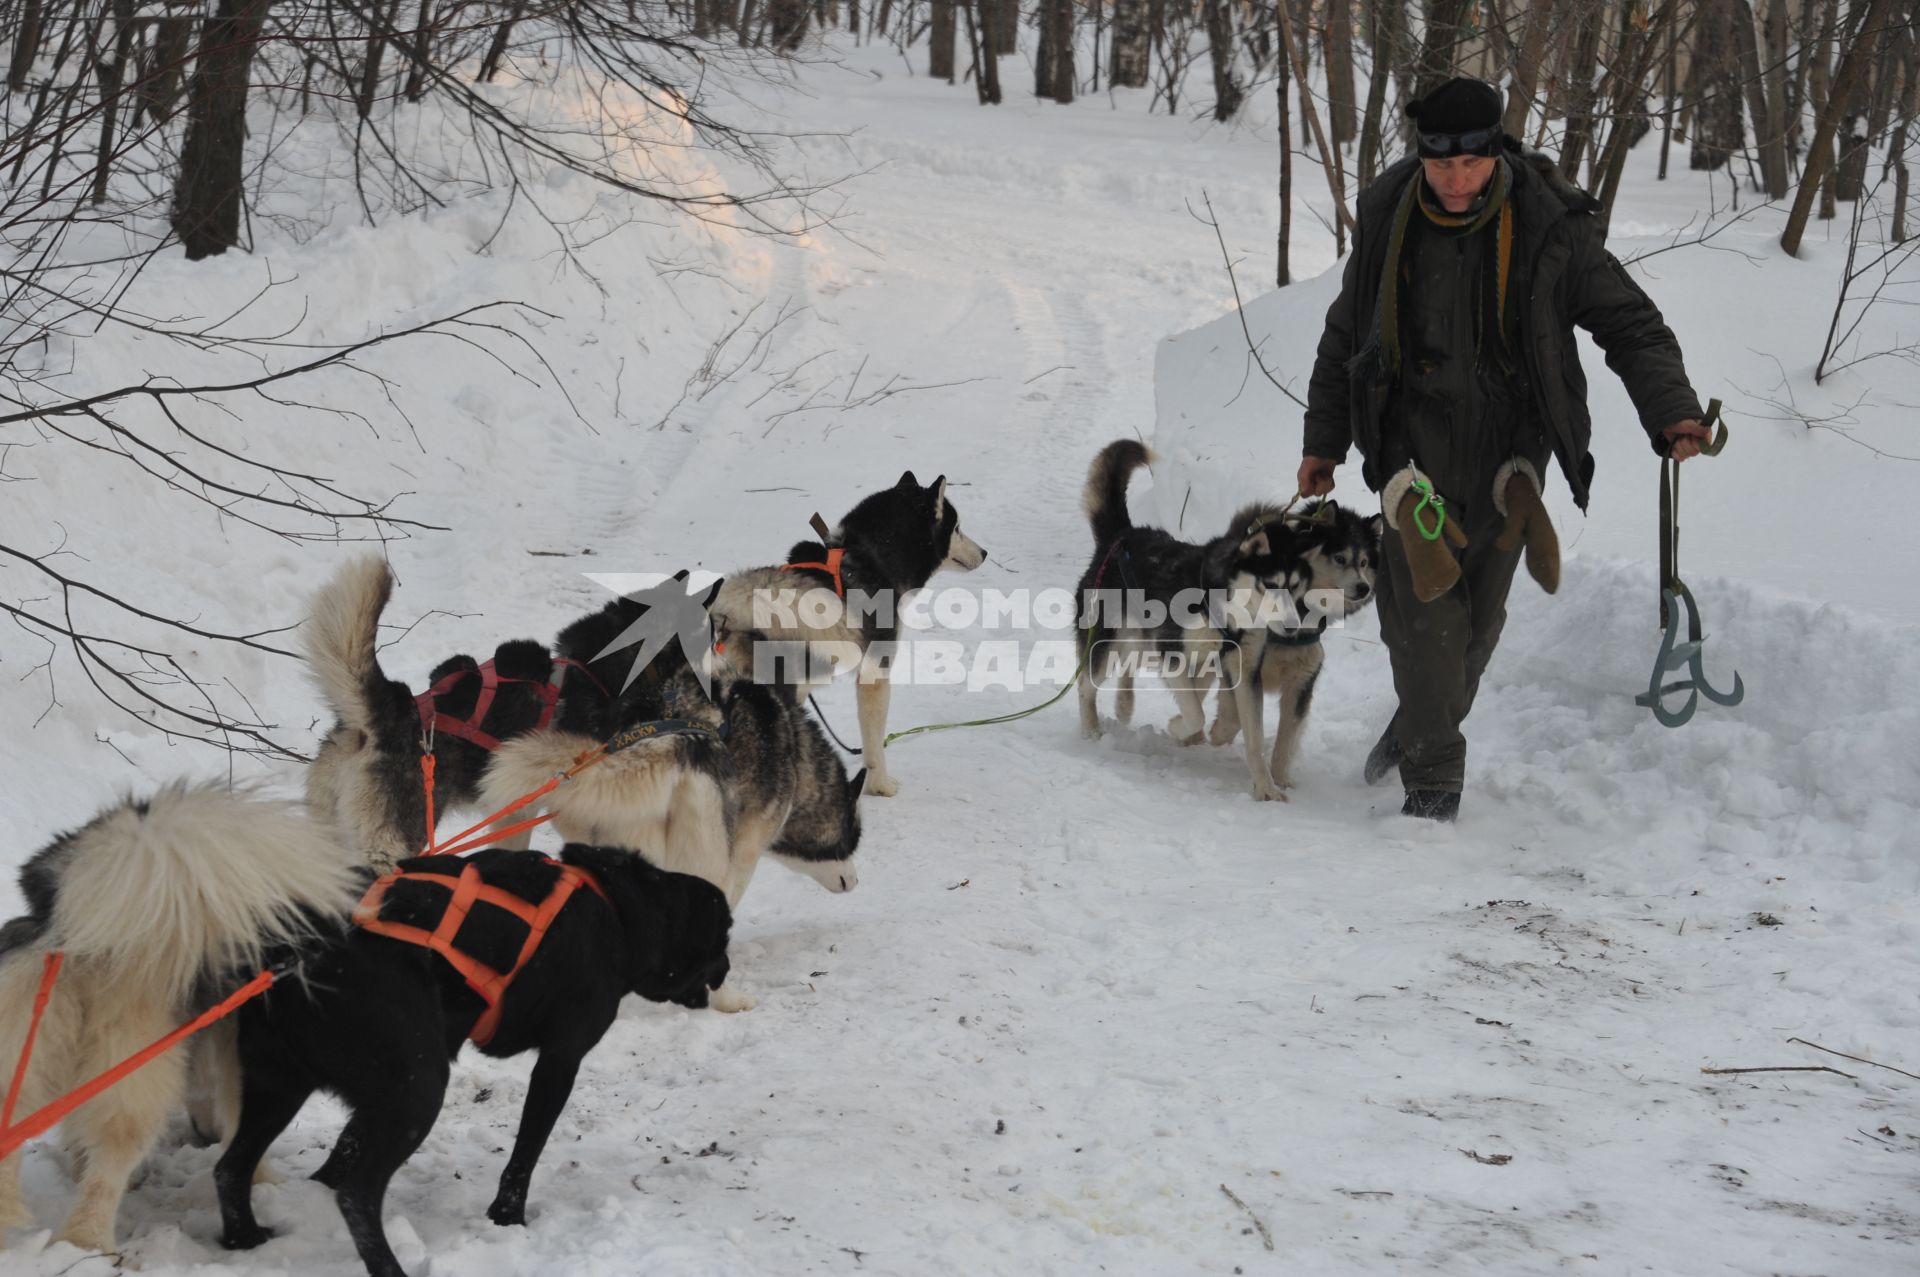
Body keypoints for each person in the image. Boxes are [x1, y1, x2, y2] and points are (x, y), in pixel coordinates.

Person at [1296, 77, 1710, 822]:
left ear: (1497, 152)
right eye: (1441, 165)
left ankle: (1420, 722)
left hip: (1507, 451)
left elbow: (1631, 325)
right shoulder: (1391, 219)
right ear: (1421, 157)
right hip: (1408, 446)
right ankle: (1432, 788)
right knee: (1426, 620)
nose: (1456, 181)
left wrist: (1673, 411)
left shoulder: (1550, 228)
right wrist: (1323, 440)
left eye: (1472, 164)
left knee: (1476, 628)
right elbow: (1344, 333)